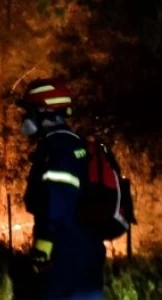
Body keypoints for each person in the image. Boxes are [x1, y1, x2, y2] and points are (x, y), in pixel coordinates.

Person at [17, 78, 106, 299]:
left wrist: (42, 249)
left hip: (64, 258)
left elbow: (57, 202)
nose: (26, 117)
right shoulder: (78, 145)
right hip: (89, 258)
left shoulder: (56, 148)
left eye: (30, 110)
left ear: (44, 110)